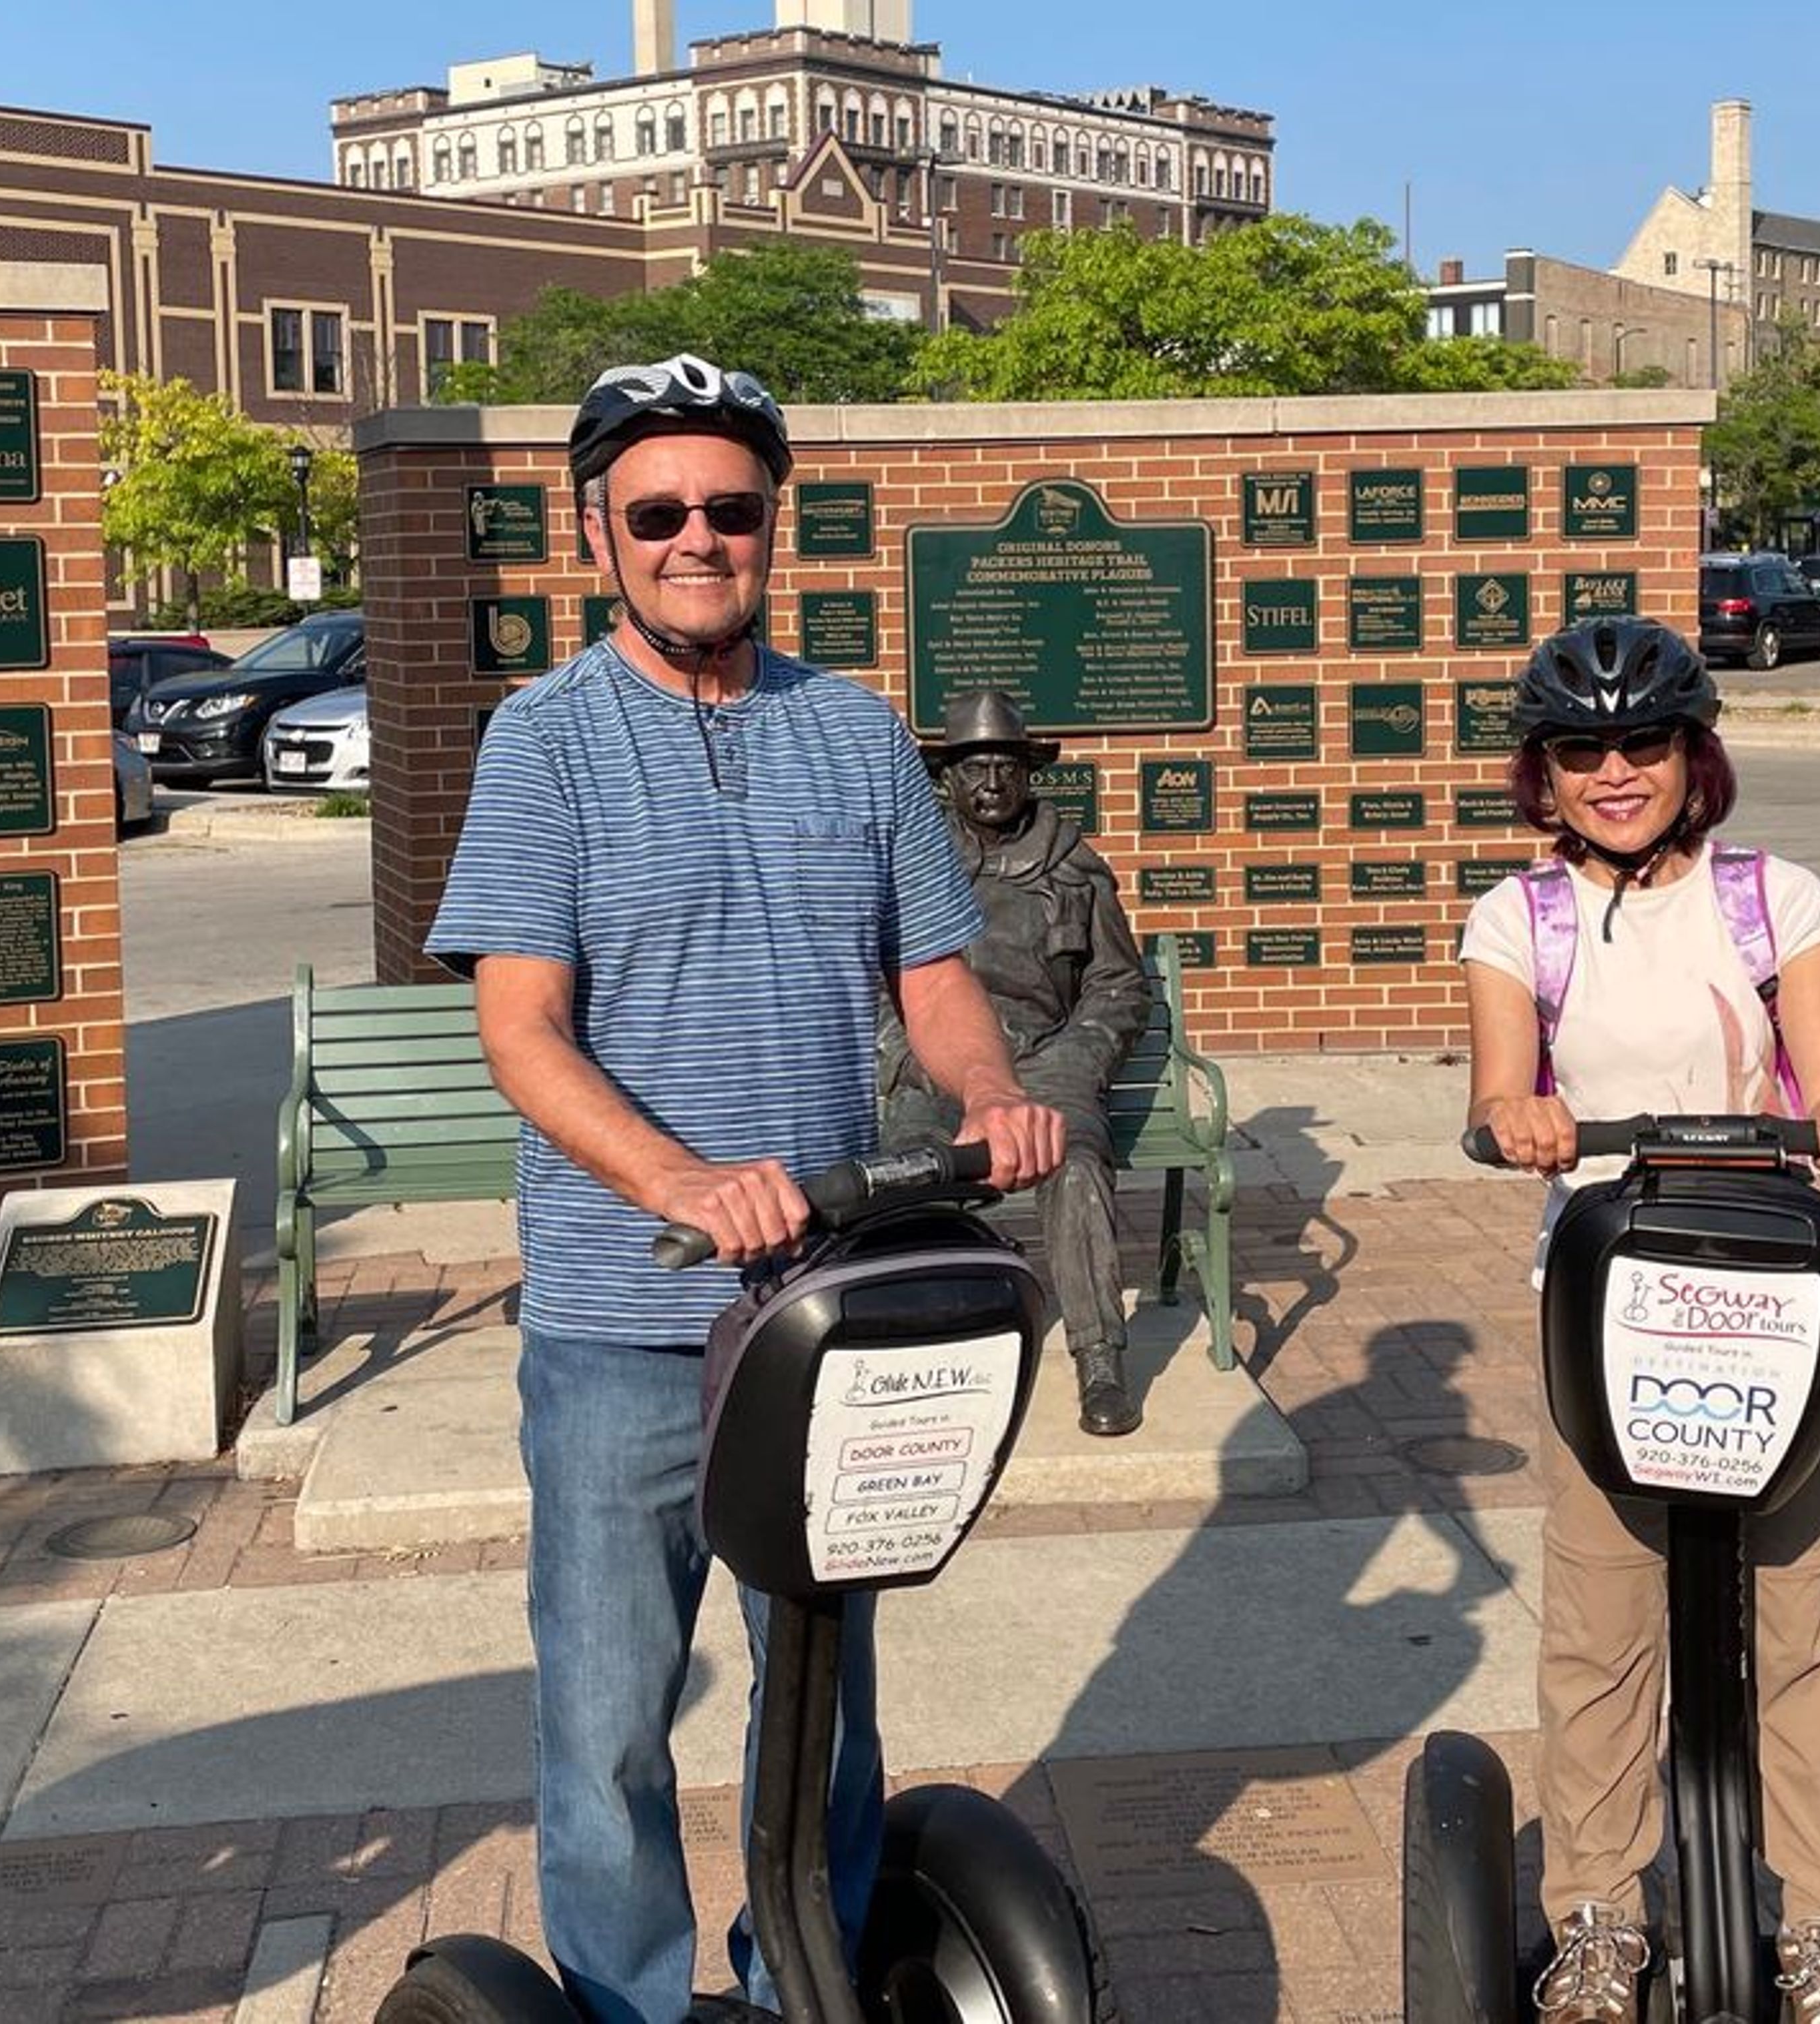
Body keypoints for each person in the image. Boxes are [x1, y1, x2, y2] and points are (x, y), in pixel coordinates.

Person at [427, 354, 1065, 2024]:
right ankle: (628, 2008)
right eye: (658, 512)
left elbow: (933, 974)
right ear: (598, 536)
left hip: (821, 1306)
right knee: (611, 1720)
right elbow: (523, 1027)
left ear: (772, 524)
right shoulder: (543, 742)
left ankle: (802, 1991)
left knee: (822, 1711)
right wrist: (684, 1176)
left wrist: (993, 1095)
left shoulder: (852, 733)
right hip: (622, 1318)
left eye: (729, 506)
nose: (696, 536)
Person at [1456, 618, 1820, 2024]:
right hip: (1606, 1302)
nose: (1613, 770)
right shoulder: (1513, 920)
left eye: (1642, 741)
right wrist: (1518, 1114)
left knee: (1804, 1612)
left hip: (1773, 1293)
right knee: (1601, 1622)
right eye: (1582, 748)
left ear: (1690, 753)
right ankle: (1597, 1916)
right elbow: (1495, 1089)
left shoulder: (1778, 901)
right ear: (1544, 770)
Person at [881, 688, 1153, 1436]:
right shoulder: (917, 865)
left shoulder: (1073, 867)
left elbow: (1119, 982)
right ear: (949, 778)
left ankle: (1100, 1356)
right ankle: (922, 1353)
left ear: (1030, 773)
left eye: (1006, 765)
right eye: (975, 768)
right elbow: (879, 974)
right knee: (911, 1164)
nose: (992, 783)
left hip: (1047, 1057)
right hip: (941, 1058)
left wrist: (1083, 1053)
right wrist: (900, 1052)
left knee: (1075, 1158)